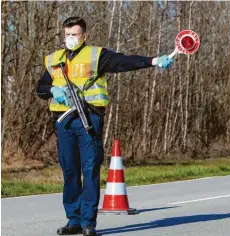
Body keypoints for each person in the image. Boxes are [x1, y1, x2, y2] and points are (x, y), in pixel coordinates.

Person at [35, 16, 174, 236]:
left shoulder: (96, 55)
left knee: (89, 170)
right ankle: (73, 220)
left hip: (88, 119)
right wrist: (52, 90)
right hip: (63, 123)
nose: (70, 38)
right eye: (67, 34)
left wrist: (154, 61)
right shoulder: (54, 59)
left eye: (75, 34)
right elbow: (41, 87)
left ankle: (88, 222)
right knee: (70, 171)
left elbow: (124, 62)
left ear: (84, 36)